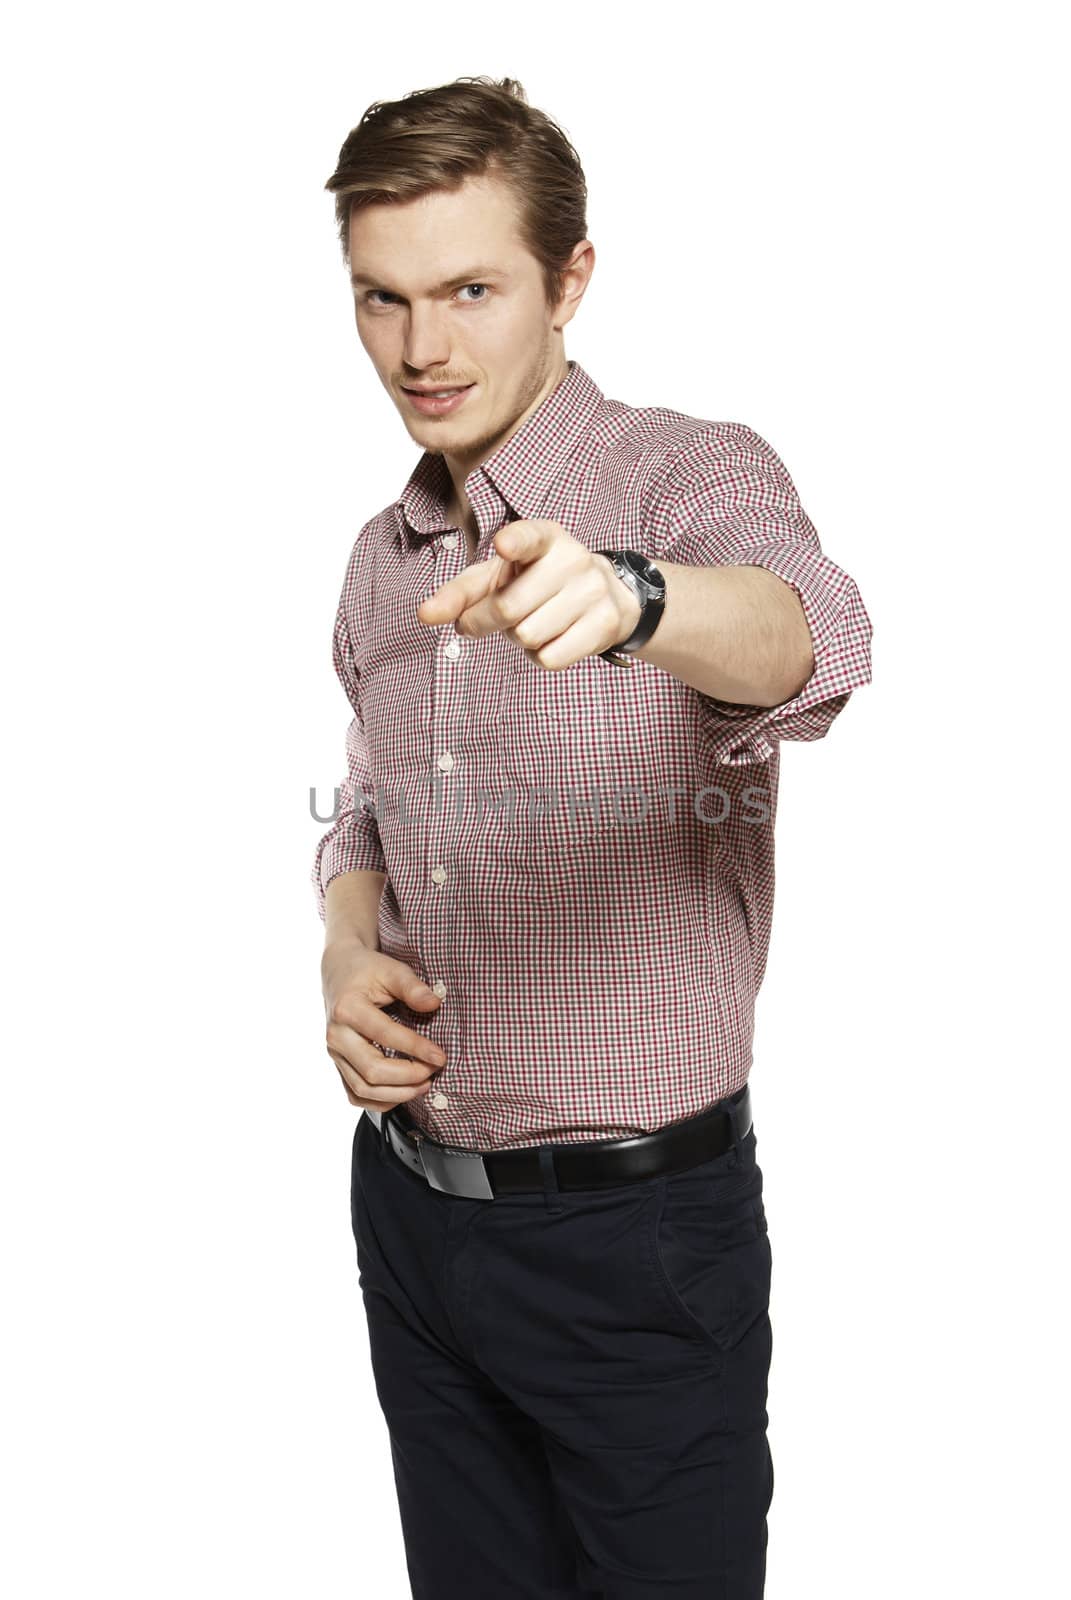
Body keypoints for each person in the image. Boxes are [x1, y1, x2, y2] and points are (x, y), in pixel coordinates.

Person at [312, 74, 873, 1600]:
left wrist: (636, 600)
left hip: (638, 1245)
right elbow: (363, 799)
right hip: (416, 1222)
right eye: (384, 299)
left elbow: (814, 637)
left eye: (471, 290)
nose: (423, 350)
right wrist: (347, 945)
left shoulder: (685, 474)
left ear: (570, 281)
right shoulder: (384, 560)